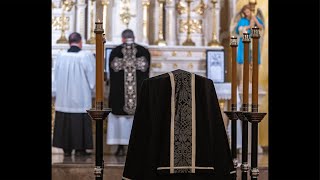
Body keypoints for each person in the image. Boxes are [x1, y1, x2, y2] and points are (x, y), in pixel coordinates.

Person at [122, 69, 235, 180]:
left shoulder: (152, 86)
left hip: (157, 166)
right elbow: (215, 128)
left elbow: (141, 131)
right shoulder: (205, 86)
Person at [106, 29, 151, 156]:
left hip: (120, 97)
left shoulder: (115, 52)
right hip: (138, 95)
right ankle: (137, 147)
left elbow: (112, 74)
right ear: (134, 37)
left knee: (120, 120)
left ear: (122, 38)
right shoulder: (144, 52)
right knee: (136, 120)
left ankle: (120, 147)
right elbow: (146, 73)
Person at [52, 32, 95, 157]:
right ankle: (80, 148)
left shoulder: (61, 56)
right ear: (80, 42)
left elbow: (56, 76)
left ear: (69, 42)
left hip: (64, 97)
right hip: (80, 96)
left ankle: (66, 148)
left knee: (64, 119)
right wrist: (92, 88)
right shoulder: (85, 56)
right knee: (79, 120)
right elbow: (91, 77)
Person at [235, 4, 264, 85]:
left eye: (248, 11)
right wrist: (249, 26)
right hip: (244, 43)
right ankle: (244, 82)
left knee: (253, 62)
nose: (247, 13)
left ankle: (253, 82)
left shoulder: (256, 18)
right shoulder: (242, 20)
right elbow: (239, 30)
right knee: (244, 63)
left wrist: (255, 20)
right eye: (245, 12)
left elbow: (261, 27)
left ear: (251, 11)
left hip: (254, 43)